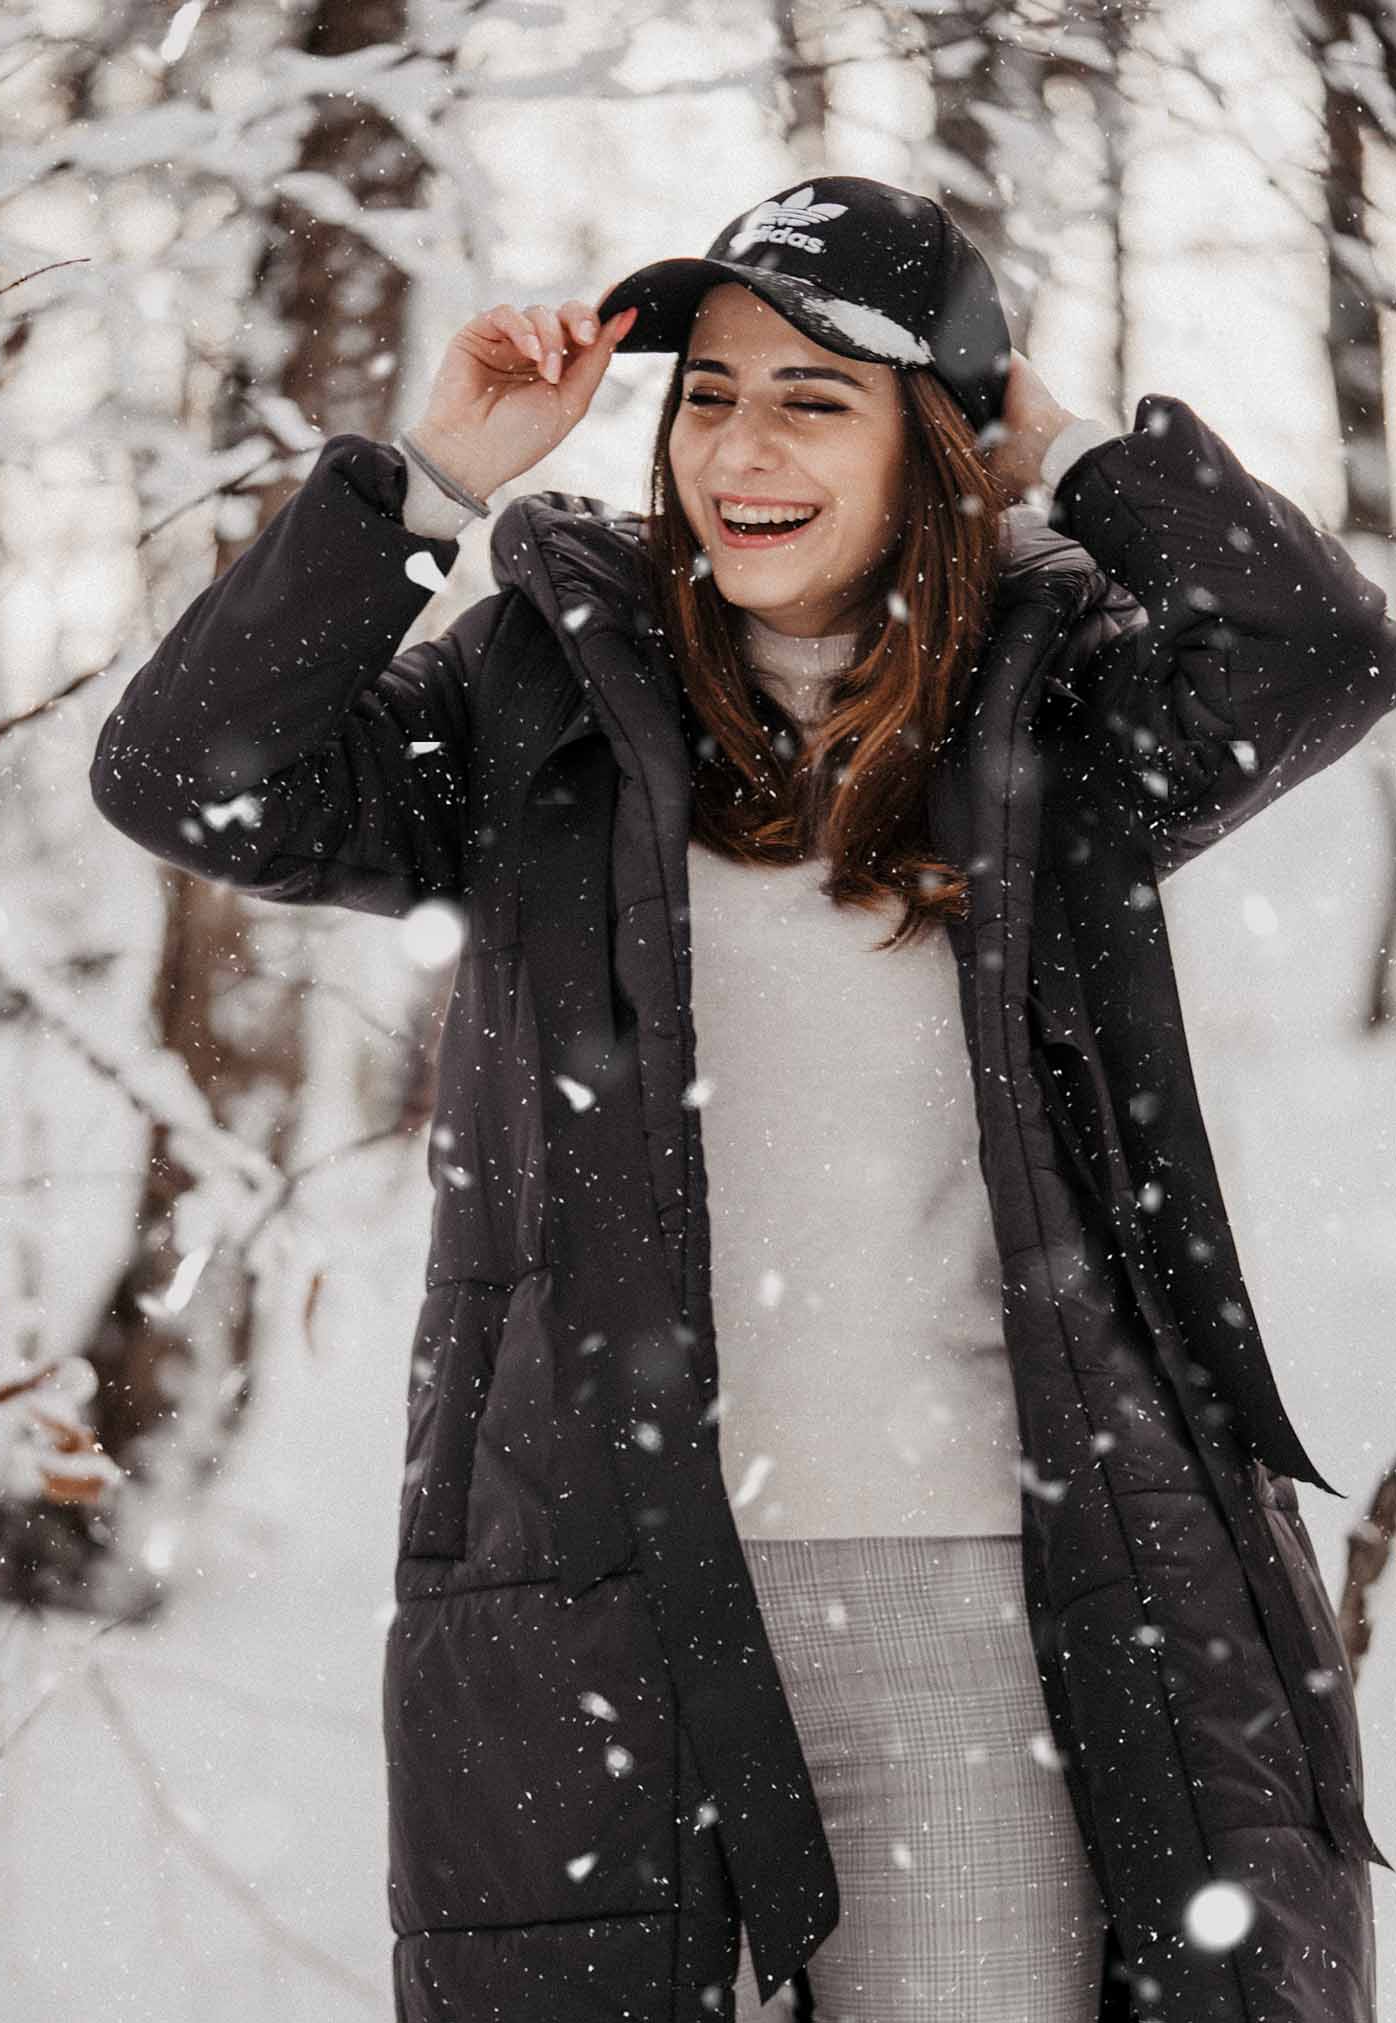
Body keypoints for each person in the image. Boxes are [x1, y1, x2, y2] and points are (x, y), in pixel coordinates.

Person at [90, 177, 1393, 2023]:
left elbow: (1320, 648)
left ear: (933, 443)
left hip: (976, 1611)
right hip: (607, 1609)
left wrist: (1075, 451)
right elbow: (186, 776)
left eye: (815, 397)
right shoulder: (535, 697)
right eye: (709, 392)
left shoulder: (1056, 708)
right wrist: (430, 488)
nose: (741, 448)